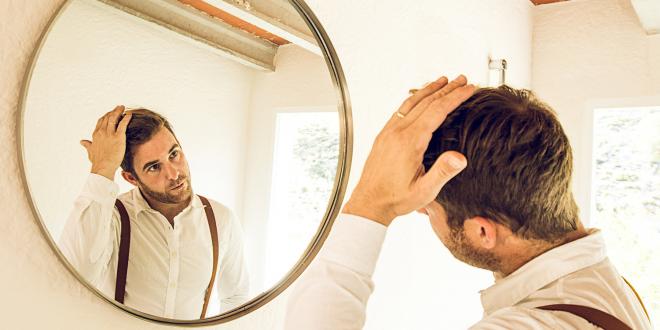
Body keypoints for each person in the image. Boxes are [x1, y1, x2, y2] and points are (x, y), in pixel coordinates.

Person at [284, 76, 652, 329]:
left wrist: (370, 204)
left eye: (429, 207)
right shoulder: (601, 285)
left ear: (481, 231)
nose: (419, 209)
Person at [59, 106, 249, 320]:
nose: (174, 173)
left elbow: (236, 297)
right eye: (154, 167)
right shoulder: (111, 217)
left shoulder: (221, 220)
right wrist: (102, 170)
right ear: (131, 178)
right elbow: (73, 278)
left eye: (174, 154)